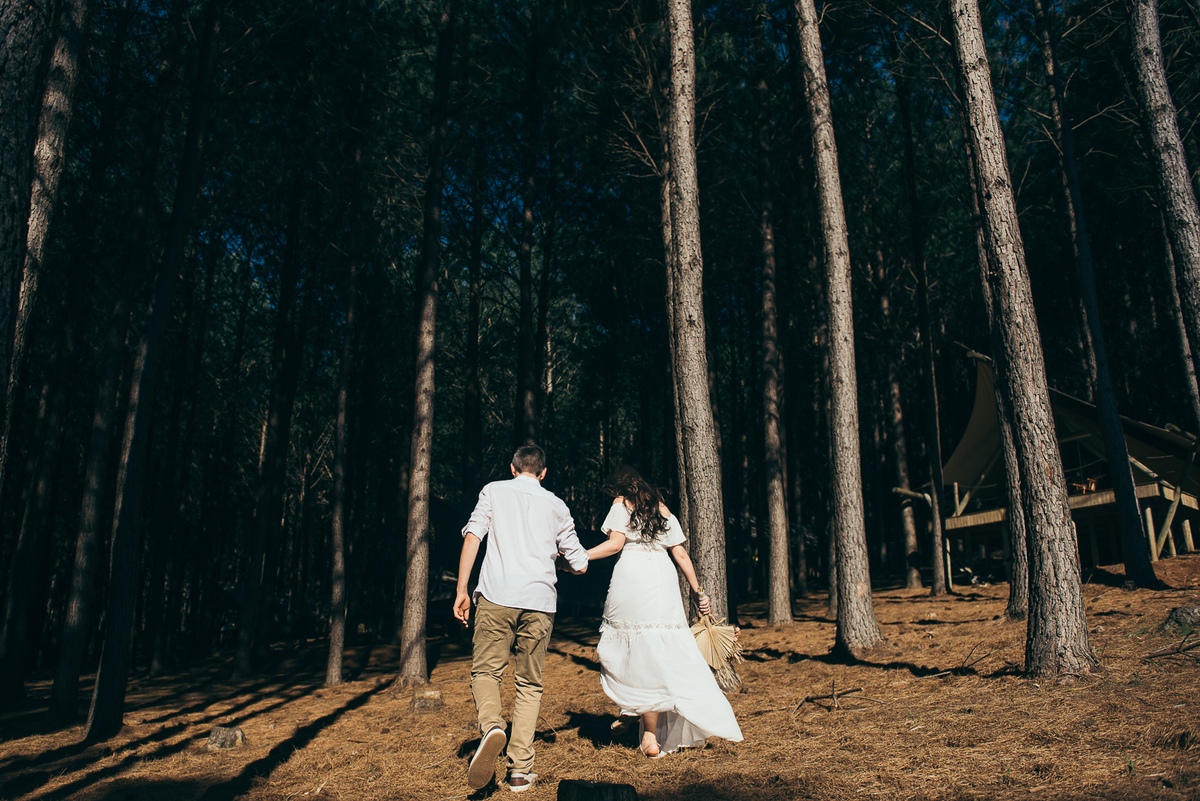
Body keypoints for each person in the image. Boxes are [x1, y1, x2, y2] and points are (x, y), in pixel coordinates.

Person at [453, 445, 589, 793]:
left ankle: (492, 727)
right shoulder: (557, 505)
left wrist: (462, 590)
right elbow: (580, 563)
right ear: (543, 473)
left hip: (497, 595)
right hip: (540, 601)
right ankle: (519, 770)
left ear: (513, 468)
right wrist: (556, 561)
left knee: (486, 672)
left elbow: (473, 536)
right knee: (529, 683)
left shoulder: (494, 491)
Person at [586, 464, 743, 758]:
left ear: (620, 487)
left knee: (632, 648)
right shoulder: (662, 509)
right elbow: (680, 553)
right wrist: (698, 593)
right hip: (662, 578)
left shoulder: (620, 504)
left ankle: (632, 708)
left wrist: (582, 555)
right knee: (656, 650)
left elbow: (615, 543)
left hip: (632, 577)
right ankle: (644, 729)